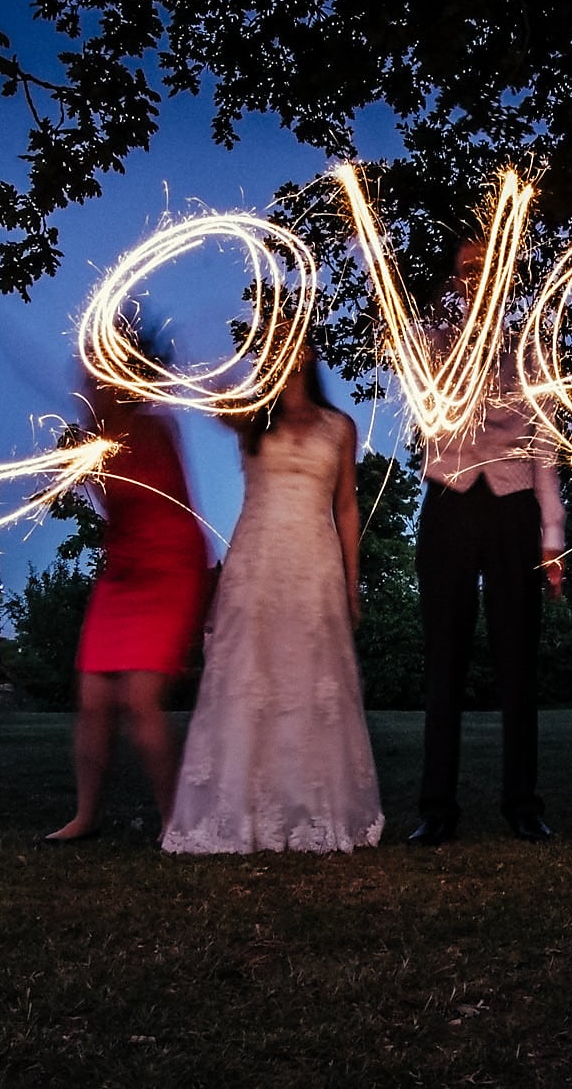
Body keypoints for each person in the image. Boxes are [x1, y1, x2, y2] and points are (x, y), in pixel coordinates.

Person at [161, 342, 384, 854]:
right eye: (277, 336)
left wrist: (352, 584)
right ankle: (241, 810)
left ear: (310, 350)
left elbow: (347, 505)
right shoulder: (251, 418)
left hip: (315, 558)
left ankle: (309, 809)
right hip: (259, 557)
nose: (289, 344)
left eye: (296, 334)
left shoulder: (340, 426)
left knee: (310, 674)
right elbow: (215, 402)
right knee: (252, 675)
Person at [406, 238, 567, 847]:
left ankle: (523, 804)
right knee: (443, 660)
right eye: (466, 269)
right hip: (449, 500)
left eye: (487, 267)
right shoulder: (431, 339)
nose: (477, 276)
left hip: (513, 506)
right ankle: (436, 808)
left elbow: (546, 445)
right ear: (452, 280)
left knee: (517, 660)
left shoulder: (530, 345)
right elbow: (434, 413)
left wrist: (551, 536)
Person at [44, 369, 211, 843]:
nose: (86, 392)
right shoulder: (94, 444)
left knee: (140, 700)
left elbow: (149, 492)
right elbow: (111, 505)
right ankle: (86, 815)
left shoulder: (156, 429)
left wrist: (90, 467)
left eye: (94, 382)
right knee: (94, 697)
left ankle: (173, 821)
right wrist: (74, 474)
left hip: (171, 569)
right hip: (123, 573)